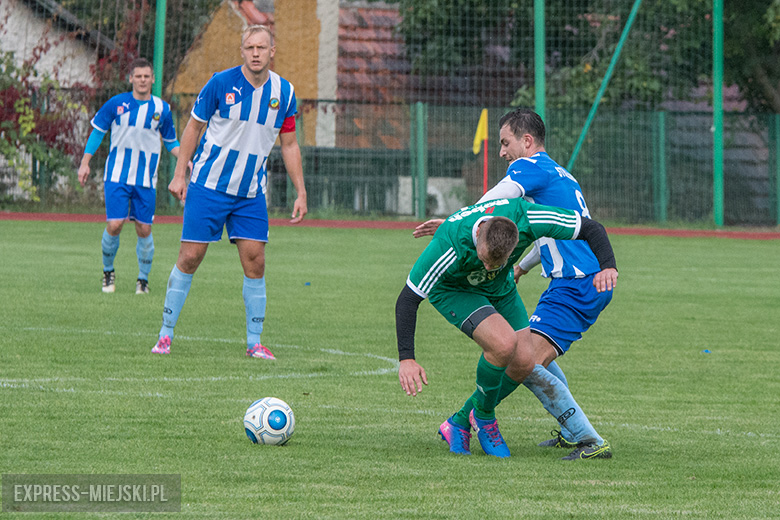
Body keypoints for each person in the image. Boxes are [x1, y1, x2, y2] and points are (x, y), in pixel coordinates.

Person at [413, 108, 614, 458]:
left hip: (576, 284)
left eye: (506, 143)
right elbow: (546, 231)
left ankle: (465, 420)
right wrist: (521, 266)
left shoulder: (529, 167)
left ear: (527, 141)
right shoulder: (561, 175)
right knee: (535, 358)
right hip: (581, 282)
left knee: (525, 361)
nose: (502, 152)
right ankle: (570, 431)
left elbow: (493, 202)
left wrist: (454, 221)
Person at [396, 197, 617, 459]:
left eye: (497, 262)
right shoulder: (449, 244)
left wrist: (608, 266)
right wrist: (407, 358)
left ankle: (458, 423)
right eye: (486, 260)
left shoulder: (528, 219)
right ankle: (485, 418)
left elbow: (592, 228)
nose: (488, 266)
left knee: (525, 361)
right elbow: (408, 299)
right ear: (478, 236)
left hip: (501, 289)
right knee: (502, 344)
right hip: (456, 290)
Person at [151, 24, 307, 359]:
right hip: (208, 186)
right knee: (190, 257)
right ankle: (165, 335)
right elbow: (194, 127)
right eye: (249, 47)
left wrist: (301, 192)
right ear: (242, 51)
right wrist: (180, 174)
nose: (255, 54)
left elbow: (290, 144)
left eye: (261, 48)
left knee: (256, 261)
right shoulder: (221, 83)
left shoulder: (285, 93)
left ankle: (254, 343)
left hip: (250, 193)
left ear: (272, 51)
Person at [78, 57, 181, 294]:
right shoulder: (116, 104)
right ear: (131, 78)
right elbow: (98, 132)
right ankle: (108, 272)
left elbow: (171, 142)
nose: (143, 80)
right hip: (117, 175)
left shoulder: (162, 109)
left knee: (144, 229)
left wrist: (186, 162)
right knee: (114, 224)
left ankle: (142, 280)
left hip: (146, 179)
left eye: (147, 76)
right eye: (139, 76)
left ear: (153, 79)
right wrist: (85, 162)